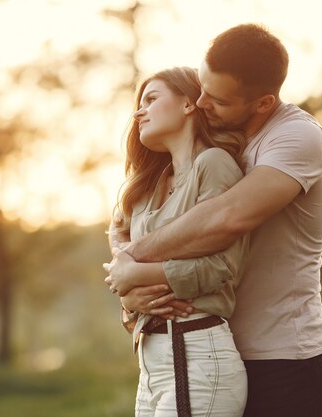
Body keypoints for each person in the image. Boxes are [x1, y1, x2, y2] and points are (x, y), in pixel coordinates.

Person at [105, 24, 322, 417]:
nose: (202, 103)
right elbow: (127, 223)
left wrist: (133, 266)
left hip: (281, 355)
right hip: (205, 342)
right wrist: (128, 292)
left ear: (262, 103)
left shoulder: (295, 138)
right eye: (201, 89)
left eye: (218, 100)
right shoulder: (211, 144)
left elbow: (228, 218)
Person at [104, 66, 249, 417]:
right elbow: (120, 257)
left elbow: (222, 268)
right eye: (140, 102)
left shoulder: (213, 164)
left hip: (197, 356)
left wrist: (137, 277)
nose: (139, 111)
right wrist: (129, 298)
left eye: (151, 99)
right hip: (152, 365)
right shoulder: (146, 189)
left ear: (189, 104)